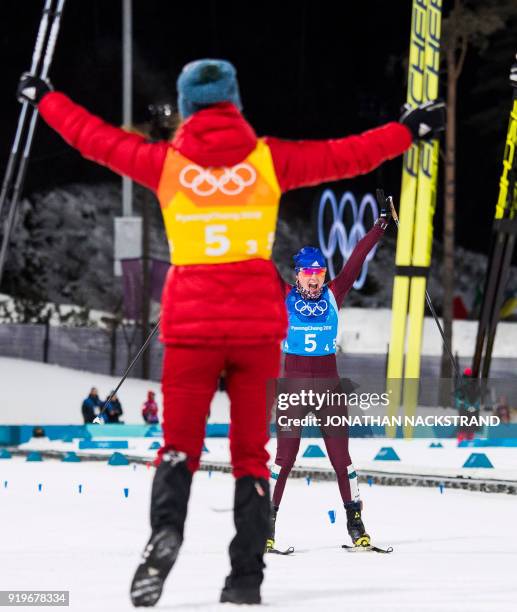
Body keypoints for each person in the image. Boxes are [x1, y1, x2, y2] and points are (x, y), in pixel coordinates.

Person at [17, 59, 444, 606]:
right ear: (236, 104)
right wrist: (408, 130)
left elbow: (94, 140)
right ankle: (245, 575)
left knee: (179, 447)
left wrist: (45, 98)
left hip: (191, 326)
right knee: (251, 456)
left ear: (187, 107)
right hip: (256, 328)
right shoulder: (268, 160)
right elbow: (349, 153)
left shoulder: (166, 164)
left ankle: (165, 531)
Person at [267, 208, 391, 553]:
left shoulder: (334, 295)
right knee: (284, 459)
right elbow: (257, 260)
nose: (314, 279)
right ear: (297, 275)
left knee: (342, 459)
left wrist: (380, 225)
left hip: (329, 390)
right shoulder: (282, 294)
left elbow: (358, 257)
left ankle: (356, 525)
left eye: (319, 273)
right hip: (292, 387)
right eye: (308, 273)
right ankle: (265, 524)